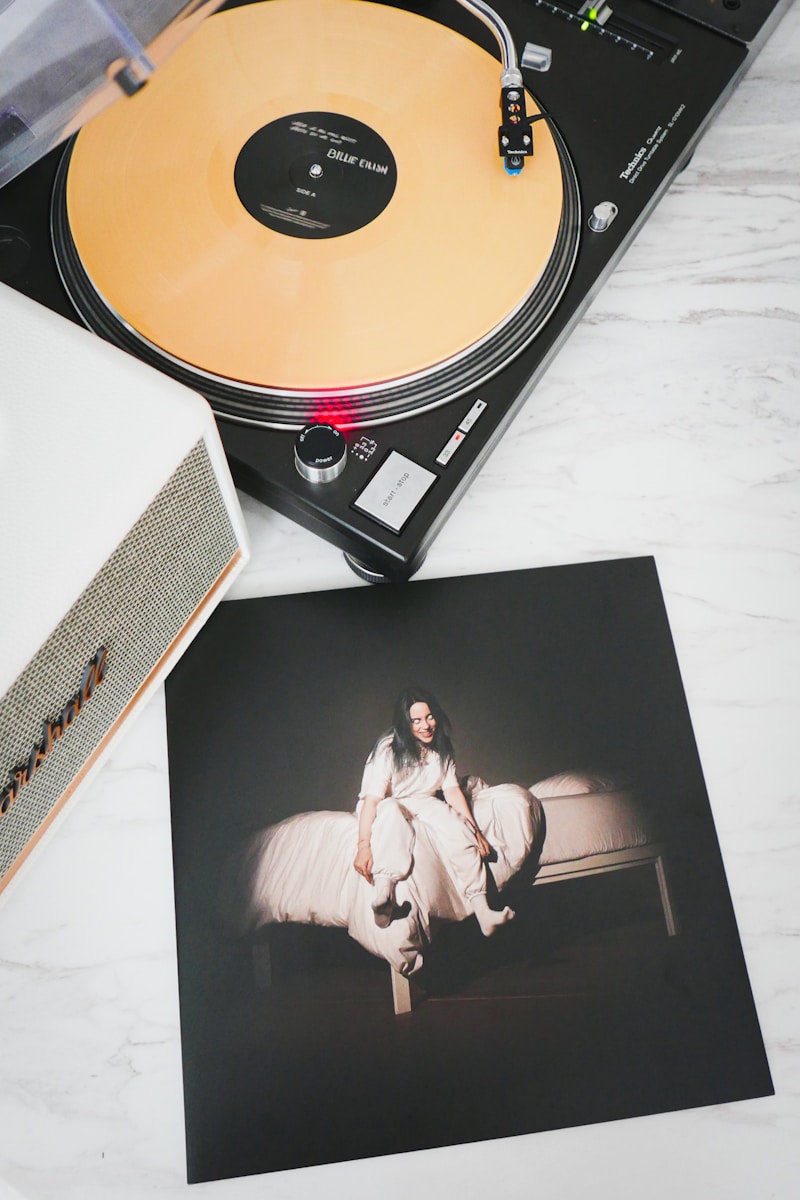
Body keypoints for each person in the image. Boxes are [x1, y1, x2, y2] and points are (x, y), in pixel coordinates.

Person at [353, 687, 515, 936]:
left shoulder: (442, 747)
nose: (425, 725)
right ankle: (383, 896)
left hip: (424, 801)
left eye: (429, 717)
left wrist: (476, 832)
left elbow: (451, 791)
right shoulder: (388, 748)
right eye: (416, 720)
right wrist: (363, 845)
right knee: (392, 815)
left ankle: (483, 912)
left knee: (456, 826)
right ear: (405, 723)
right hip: (389, 802)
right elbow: (372, 801)